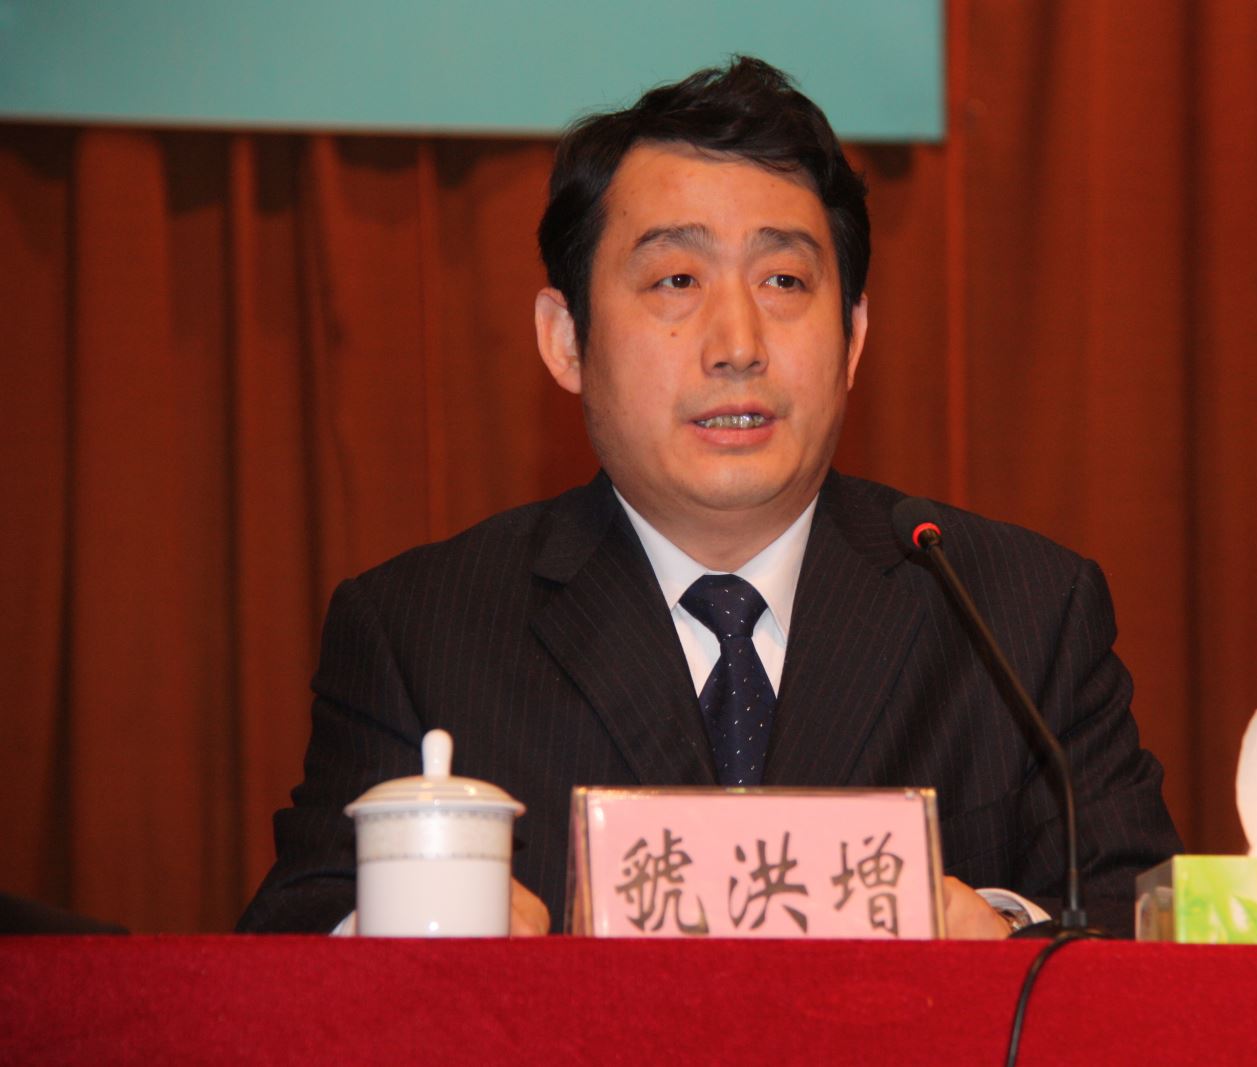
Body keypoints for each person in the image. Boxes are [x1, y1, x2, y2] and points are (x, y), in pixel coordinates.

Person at [237, 57, 1180, 940]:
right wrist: (417, 935)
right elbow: (291, 947)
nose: (737, 344)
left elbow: (1146, 929)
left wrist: (1004, 935)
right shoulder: (421, 633)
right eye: (676, 280)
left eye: (784, 280)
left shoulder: (1018, 614)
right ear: (566, 340)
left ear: (852, 338)